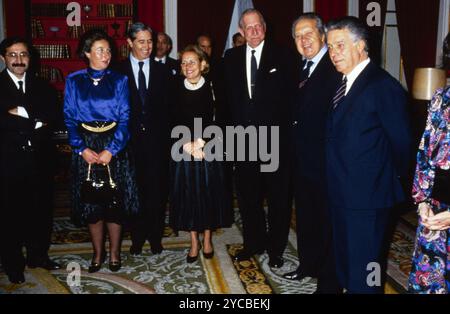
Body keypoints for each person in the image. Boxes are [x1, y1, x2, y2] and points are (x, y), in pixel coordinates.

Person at [325, 17, 412, 293]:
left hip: (368, 199)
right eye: (330, 47)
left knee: (367, 272)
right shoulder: (344, 83)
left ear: (361, 46)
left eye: (340, 45)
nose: (333, 53)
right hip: (341, 193)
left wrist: (382, 181)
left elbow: (404, 146)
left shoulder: (382, 86)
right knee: (348, 267)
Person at [223, 9, 296, 268]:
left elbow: (292, 103)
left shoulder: (285, 56)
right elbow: (225, 104)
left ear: (265, 27)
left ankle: (276, 249)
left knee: (278, 199)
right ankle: (253, 243)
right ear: (241, 31)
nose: (253, 31)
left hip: (276, 142)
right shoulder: (230, 59)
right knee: (248, 198)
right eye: (248, 27)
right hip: (242, 141)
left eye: (258, 26)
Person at [64, 30, 139, 273]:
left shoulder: (120, 80)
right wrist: (81, 148)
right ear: (87, 53)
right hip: (86, 145)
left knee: (114, 203)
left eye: (108, 50)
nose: (106, 54)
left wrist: (112, 150)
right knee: (92, 205)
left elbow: (126, 119)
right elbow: (69, 118)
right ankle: (98, 253)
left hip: (113, 145)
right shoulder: (74, 80)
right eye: (100, 50)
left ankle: (115, 253)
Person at [284, 13, 341, 294]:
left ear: (322, 36)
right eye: (298, 36)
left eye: (309, 34)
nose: (304, 40)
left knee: (326, 221)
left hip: (325, 163)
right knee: (305, 218)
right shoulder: (298, 68)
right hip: (300, 161)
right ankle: (307, 264)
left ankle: (327, 279)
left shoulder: (335, 70)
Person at [0, 37, 61, 284]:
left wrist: (17, 117)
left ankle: (39, 256)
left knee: (41, 212)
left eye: (23, 55)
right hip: (8, 164)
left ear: (30, 58)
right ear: (3, 58)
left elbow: (53, 118)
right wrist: (32, 121)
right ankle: (13, 264)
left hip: (40, 161)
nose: (18, 60)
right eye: (13, 55)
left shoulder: (43, 86)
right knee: (9, 215)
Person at [169, 45, 233, 263]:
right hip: (183, 149)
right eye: (184, 62)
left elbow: (221, 119)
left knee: (208, 195)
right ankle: (194, 241)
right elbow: (169, 119)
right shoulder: (175, 87)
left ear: (203, 64)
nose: (187, 66)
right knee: (188, 197)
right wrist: (185, 142)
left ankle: (207, 239)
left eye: (192, 62)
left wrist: (202, 143)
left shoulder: (214, 87)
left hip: (209, 148)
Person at [115, 22, 172, 256]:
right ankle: (137, 237)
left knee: (157, 193)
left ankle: (155, 237)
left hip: (158, 145)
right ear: (129, 43)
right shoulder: (117, 72)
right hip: (128, 144)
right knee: (132, 193)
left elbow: (170, 109)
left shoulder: (164, 71)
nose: (148, 46)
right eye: (141, 42)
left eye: (150, 41)